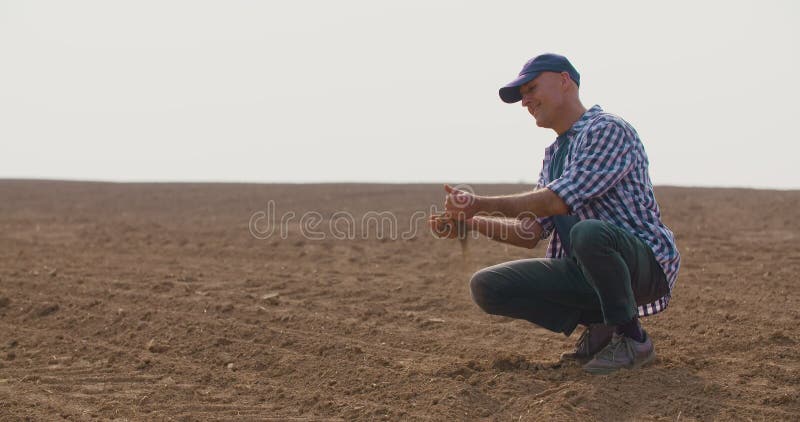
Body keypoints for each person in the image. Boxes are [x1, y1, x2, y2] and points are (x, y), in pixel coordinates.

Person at [429, 53, 680, 374]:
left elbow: (557, 201)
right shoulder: (554, 155)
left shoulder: (607, 130)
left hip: (643, 266)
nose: (526, 101)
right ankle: (602, 328)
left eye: (532, 88)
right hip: (590, 268)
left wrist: (480, 203)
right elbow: (529, 232)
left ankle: (633, 339)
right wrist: (471, 220)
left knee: (588, 233)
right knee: (487, 286)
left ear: (565, 81)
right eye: (523, 96)